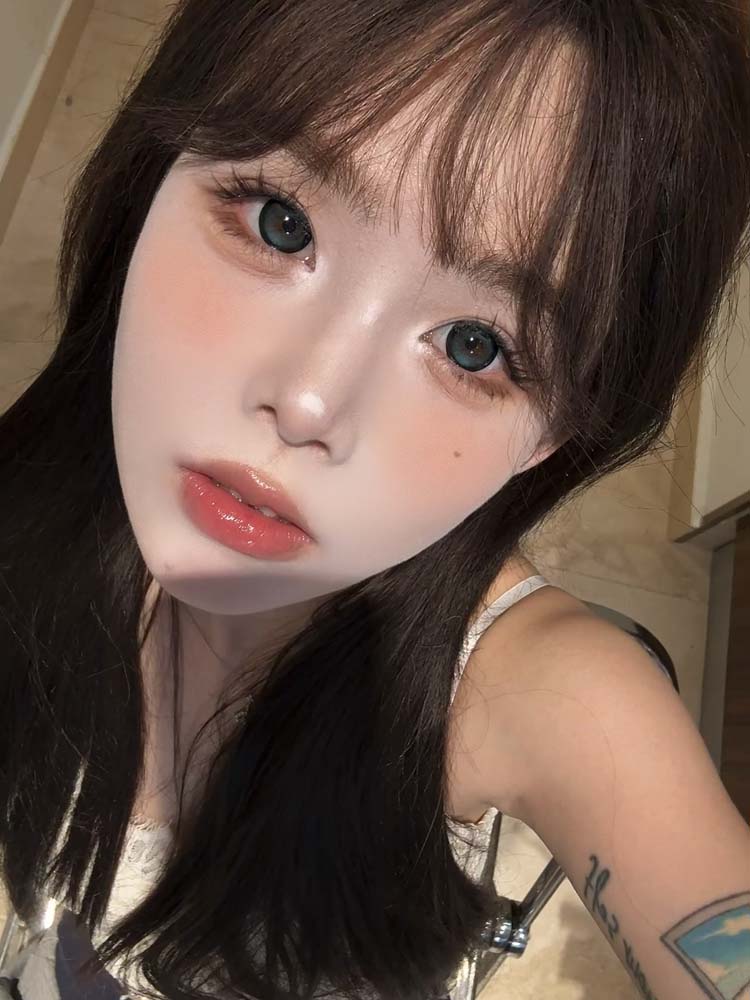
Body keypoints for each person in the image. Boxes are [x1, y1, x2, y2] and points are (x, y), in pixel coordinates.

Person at [1, 1, 749, 998]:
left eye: (475, 347)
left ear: (552, 438)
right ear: (154, 174)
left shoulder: (536, 696)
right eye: (281, 222)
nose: (311, 400)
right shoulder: (40, 491)